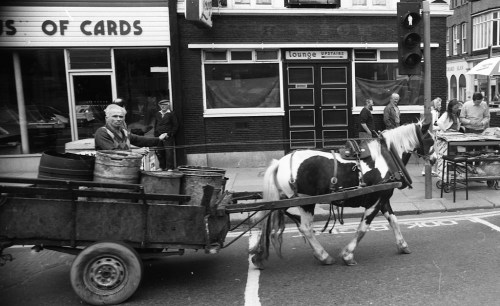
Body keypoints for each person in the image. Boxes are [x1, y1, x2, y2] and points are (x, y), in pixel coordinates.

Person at [94, 104, 168, 155]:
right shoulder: (102, 132)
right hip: (107, 173)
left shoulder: (124, 132)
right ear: (107, 118)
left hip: (126, 171)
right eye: (115, 116)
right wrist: (134, 152)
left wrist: (159, 139)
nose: (118, 119)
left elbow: (139, 140)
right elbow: (111, 152)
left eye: (121, 117)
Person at [154, 99, 179, 171]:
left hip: (168, 136)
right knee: (159, 151)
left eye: (164, 105)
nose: (163, 106)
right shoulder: (158, 114)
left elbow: (175, 125)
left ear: (168, 105)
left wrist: (169, 134)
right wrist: (156, 134)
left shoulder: (171, 114)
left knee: (169, 152)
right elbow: (156, 124)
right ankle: (162, 166)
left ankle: (170, 167)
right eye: (161, 105)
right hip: (159, 136)